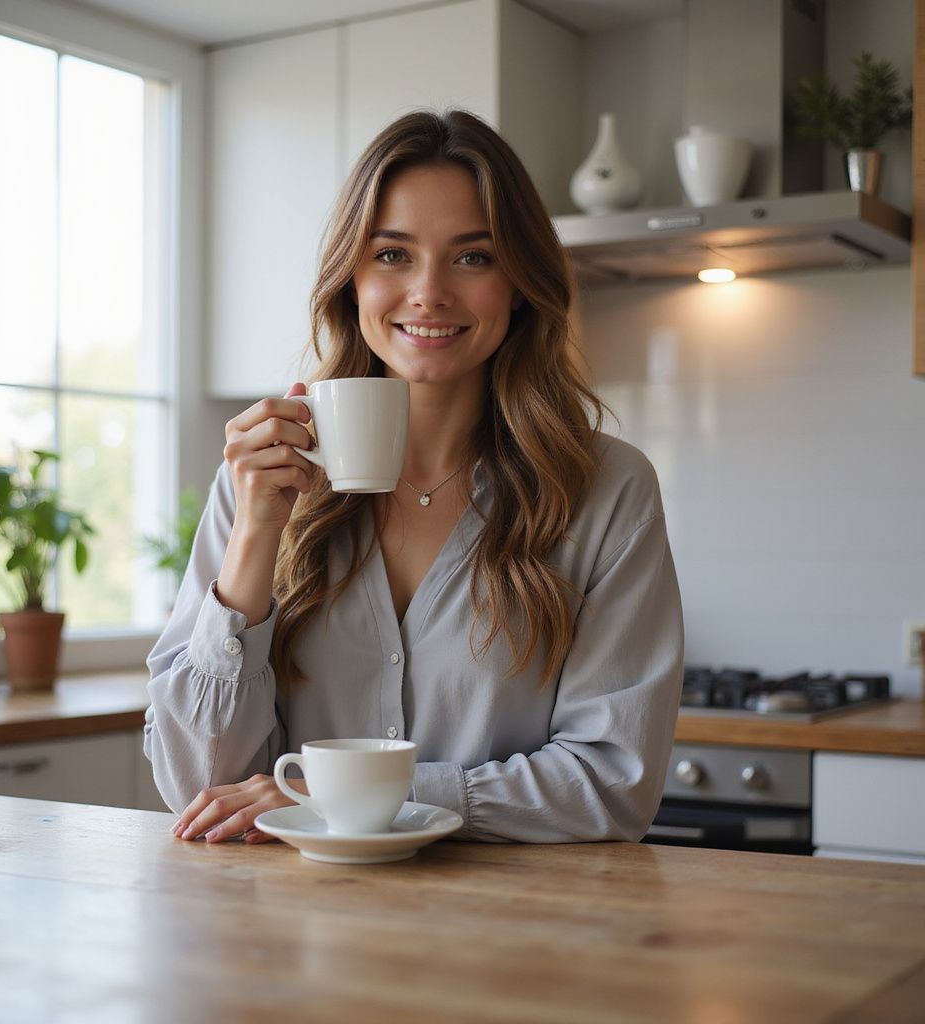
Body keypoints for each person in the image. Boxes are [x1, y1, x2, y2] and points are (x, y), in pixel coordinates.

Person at [144, 109, 684, 845]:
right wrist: (256, 534)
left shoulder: (606, 490)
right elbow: (199, 788)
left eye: (474, 257)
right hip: (290, 937)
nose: (429, 293)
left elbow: (611, 784)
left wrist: (347, 797)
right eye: (393, 255)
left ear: (521, 283)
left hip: (518, 944)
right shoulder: (262, 478)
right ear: (352, 279)